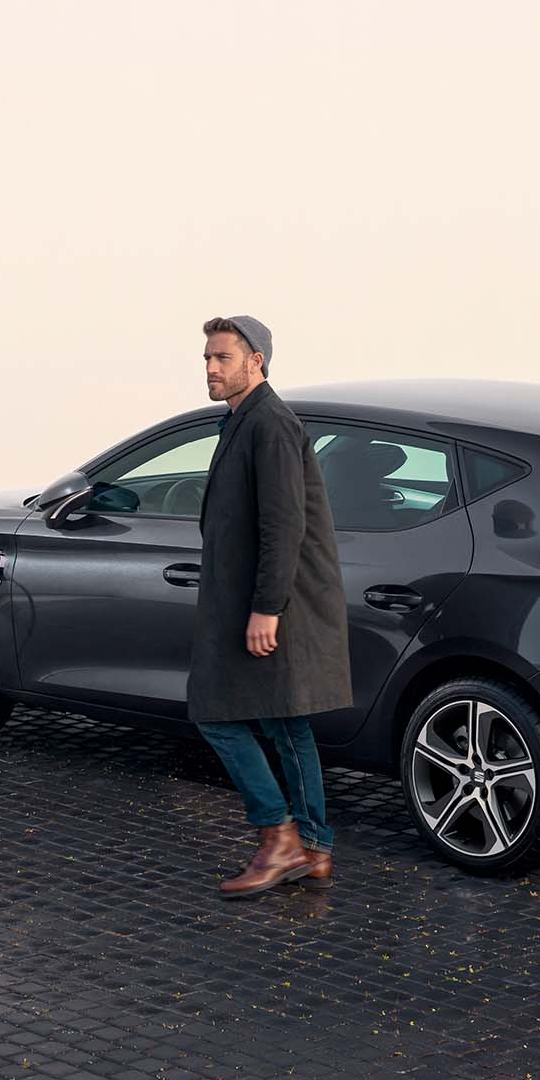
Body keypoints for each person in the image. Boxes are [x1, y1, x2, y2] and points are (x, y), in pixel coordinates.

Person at [187, 315, 352, 898]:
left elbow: (284, 525)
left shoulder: (270, 424)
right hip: (264, 603)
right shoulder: (244, 420)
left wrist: (266, 609)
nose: (210, 367)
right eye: (207, 357)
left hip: (272, 607)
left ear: (256, 360)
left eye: (223, 357)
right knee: (285, 723)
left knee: (216, 713)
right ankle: (314, 847)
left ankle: (279, 839)